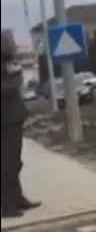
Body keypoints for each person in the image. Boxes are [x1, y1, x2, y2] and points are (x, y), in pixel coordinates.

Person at [1, 36, 40, 218]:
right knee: (6, 164)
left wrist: (13, 75)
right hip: (4, 122)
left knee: (14, 162)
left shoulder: (10, 68)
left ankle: (17, 198)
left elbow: (16, 84)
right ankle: (7, 206)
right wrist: (13, 77)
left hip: (13, 119)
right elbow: (9, 88)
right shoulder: (8, 71)